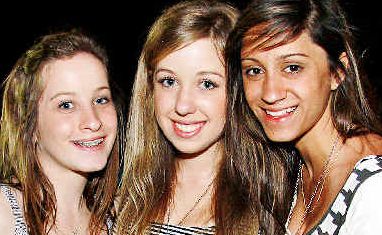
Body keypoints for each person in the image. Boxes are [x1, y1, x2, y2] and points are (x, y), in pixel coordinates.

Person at [116, 0, 295, 234]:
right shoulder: (126, 202)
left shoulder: (275, 205)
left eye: (207, 84)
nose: (183, 105)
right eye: (168, 81)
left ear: (237, 90)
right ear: (149, 89)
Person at [225, 0, 382, 234]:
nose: (270, 93)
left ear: (337, 72)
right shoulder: (291, 169)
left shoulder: (373, 188)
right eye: (254, 70)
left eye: (292, 68)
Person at [0, 30, 122, 235]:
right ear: (30, 125)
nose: (93, 121)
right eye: (66, 105)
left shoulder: (120, 219)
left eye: (101, 100)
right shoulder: (4, 212)